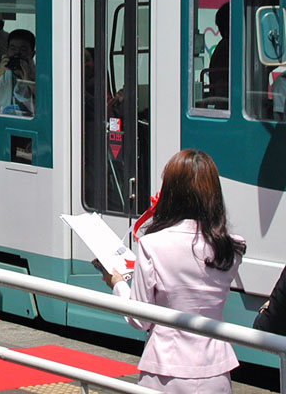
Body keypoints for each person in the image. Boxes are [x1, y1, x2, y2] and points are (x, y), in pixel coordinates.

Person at [101, 149, 246, 393]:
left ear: (171, 193)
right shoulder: (232, 247)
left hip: (165, 368)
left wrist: (117, 283)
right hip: (216, 370)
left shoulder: (152, 244)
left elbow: (139, 318)